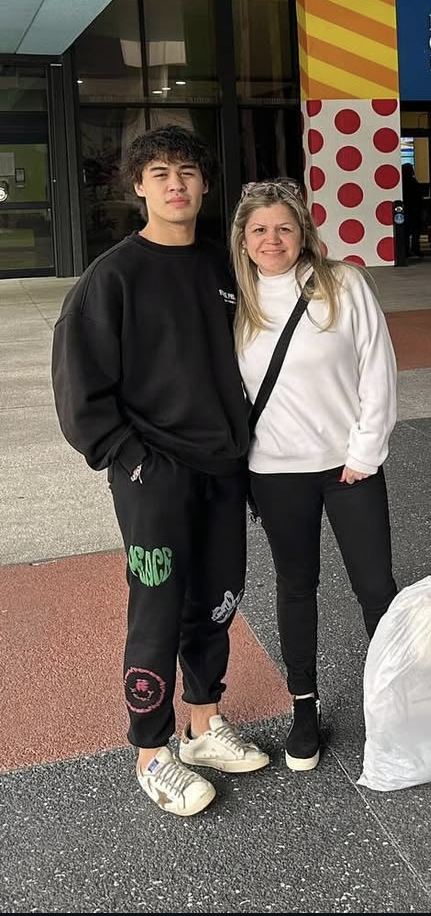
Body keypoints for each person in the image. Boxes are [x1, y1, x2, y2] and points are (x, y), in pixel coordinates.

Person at [51, 124, 269, 817]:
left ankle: (202, 723)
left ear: (205, 185)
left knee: (218, 598)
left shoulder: (224, 266)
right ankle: (152, 750)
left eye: (187, 172)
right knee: (157, 608)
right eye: (160, 173)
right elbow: (79, 388)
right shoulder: (111, 277)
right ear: (138, 186)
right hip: (155, 475)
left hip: (224, 468)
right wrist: (132, 458)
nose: (176, 184)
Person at [231, 178, 399, 772]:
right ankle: (304, 707)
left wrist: (365, 451)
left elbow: (377, 366)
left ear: (303, 231)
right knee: (296, 587)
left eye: (283, 227)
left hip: (348, 467)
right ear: (243, 238)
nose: (272, 239)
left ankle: (393, 700)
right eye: (259, 229)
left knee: (376, 586)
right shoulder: (236, 298)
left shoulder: (344, 283)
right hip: (274, 471)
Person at [401, 162, 424, 259]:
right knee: (415, 232)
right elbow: (419, 197)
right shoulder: (414, 182)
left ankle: (405, 251)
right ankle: (415, 249)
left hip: (405, 211)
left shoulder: (401, 183)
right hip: (415, 211)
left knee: (405, 233)